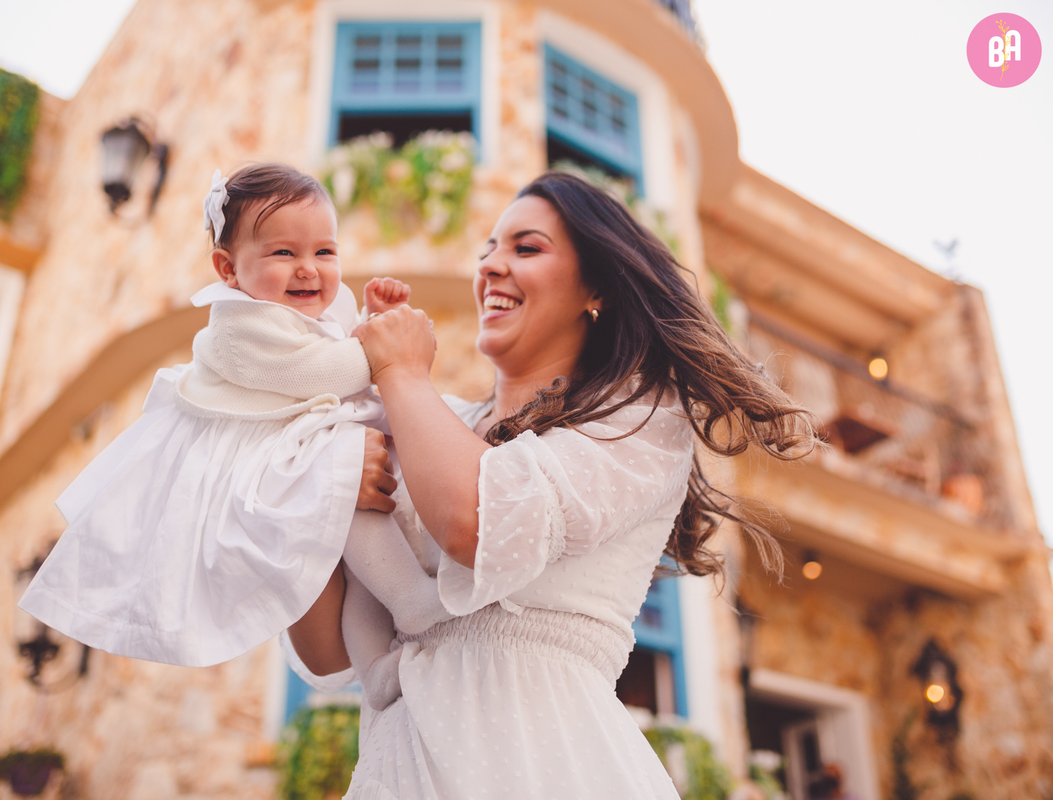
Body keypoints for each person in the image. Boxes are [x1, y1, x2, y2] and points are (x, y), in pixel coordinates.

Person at [286, 171, 820, 798]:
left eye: (526, 247)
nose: (492, 267)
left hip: (546, 764)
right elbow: (325, 651)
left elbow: (475, 524)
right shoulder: (435, 428)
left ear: (594, 284)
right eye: (487, 250)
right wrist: (322, 496)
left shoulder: (644, 419)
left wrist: (402, 373)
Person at [19, 164, 448, 709]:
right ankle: (412, 601)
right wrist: (382, 348)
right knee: (351, 507)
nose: (308, 270)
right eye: (283, 253)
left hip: (305, 452)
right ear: (228, 268)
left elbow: (331, 355)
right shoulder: (237, 325)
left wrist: (372, 318)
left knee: (358, 568)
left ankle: (377, 666)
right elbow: (317, 374)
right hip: (263, 465)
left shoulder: (309, 313)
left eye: (324, 252)